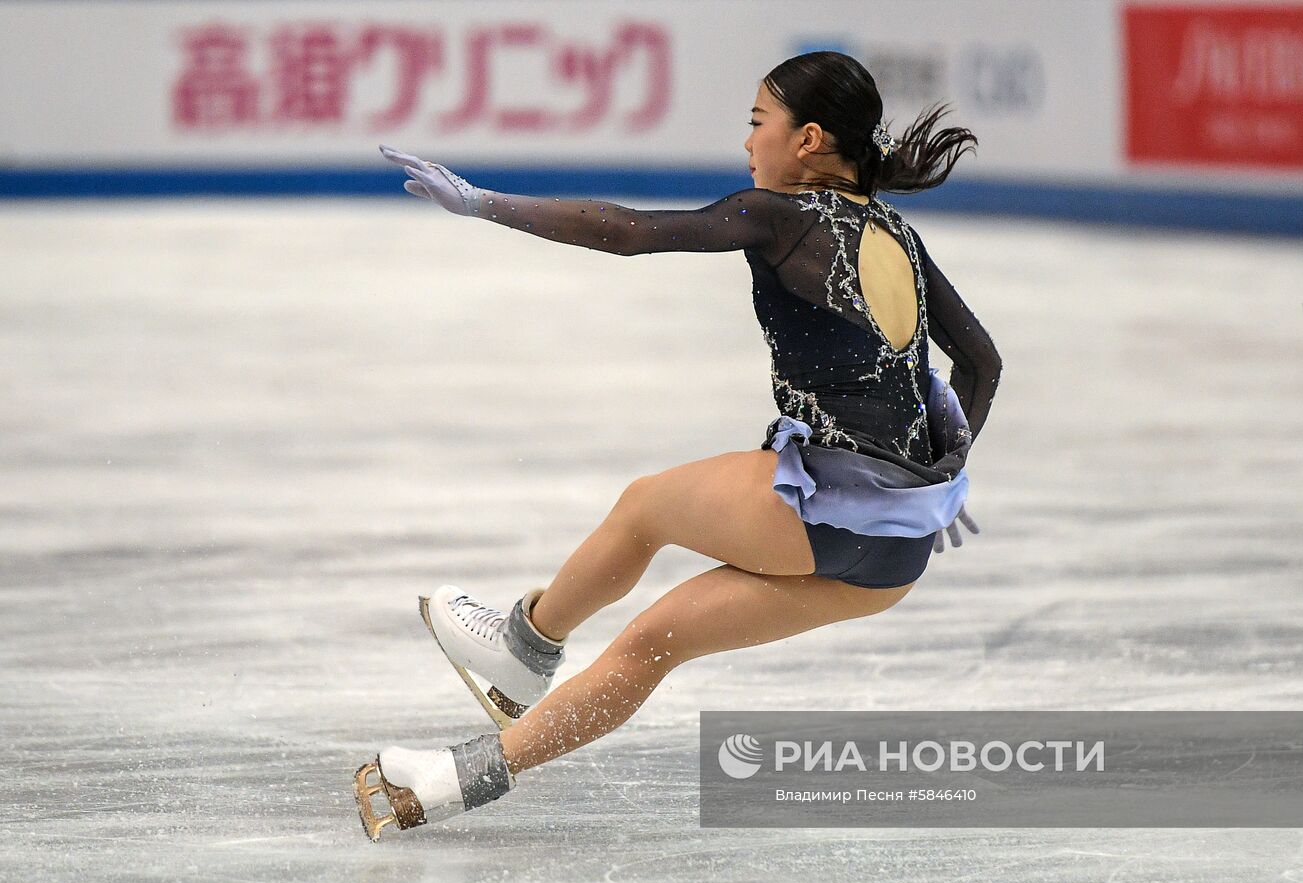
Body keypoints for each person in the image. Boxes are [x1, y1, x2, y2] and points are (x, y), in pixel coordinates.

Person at [352, 50, 1002, 841]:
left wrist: (488, 202)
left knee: (645, 507)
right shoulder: (900, 236)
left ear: (809, 140)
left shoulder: (780, 214)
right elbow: (980, 362)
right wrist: (942, 472)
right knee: (651, 643)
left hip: (823, 503)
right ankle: (456, 778)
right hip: (897, 554)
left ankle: (526, 645)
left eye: (759, 123)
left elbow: (631, 233)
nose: (747, 143)